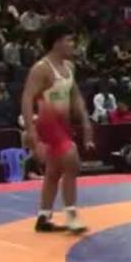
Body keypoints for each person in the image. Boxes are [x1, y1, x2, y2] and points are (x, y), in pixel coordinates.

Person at [20, 23, 93, 234]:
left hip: (62, 124)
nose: (73, 45)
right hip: (47, 123)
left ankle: (43, 216)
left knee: (54, 171)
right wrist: (31, 131)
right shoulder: (41, 69)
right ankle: (71, 215)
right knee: (72, 161)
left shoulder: (69, 67)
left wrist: (85, 121)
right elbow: (27, 98)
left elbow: (75, 95)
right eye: (69, 40)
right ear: (57, 42)